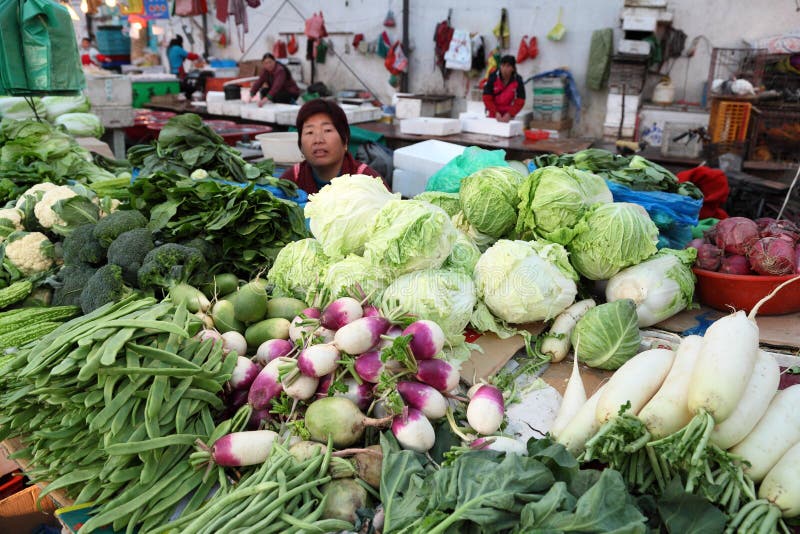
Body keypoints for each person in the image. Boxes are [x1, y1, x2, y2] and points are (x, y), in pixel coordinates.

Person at [279, 99, 383, 194]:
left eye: (327, 130)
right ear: (301, 146)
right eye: (310, 132)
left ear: (345, 141)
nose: (318, 140)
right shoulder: (291, 180)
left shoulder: (368, 180)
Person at [482, 55, 526, 122]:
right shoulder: (493, 77)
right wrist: (495, 112)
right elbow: (486, 98)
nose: (504, 69)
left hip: (509, 114)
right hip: (493, 113)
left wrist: (510, 113)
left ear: (513, 68)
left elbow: (520, 100)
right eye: (502, 65)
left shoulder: (518, 80)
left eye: (508, 66)